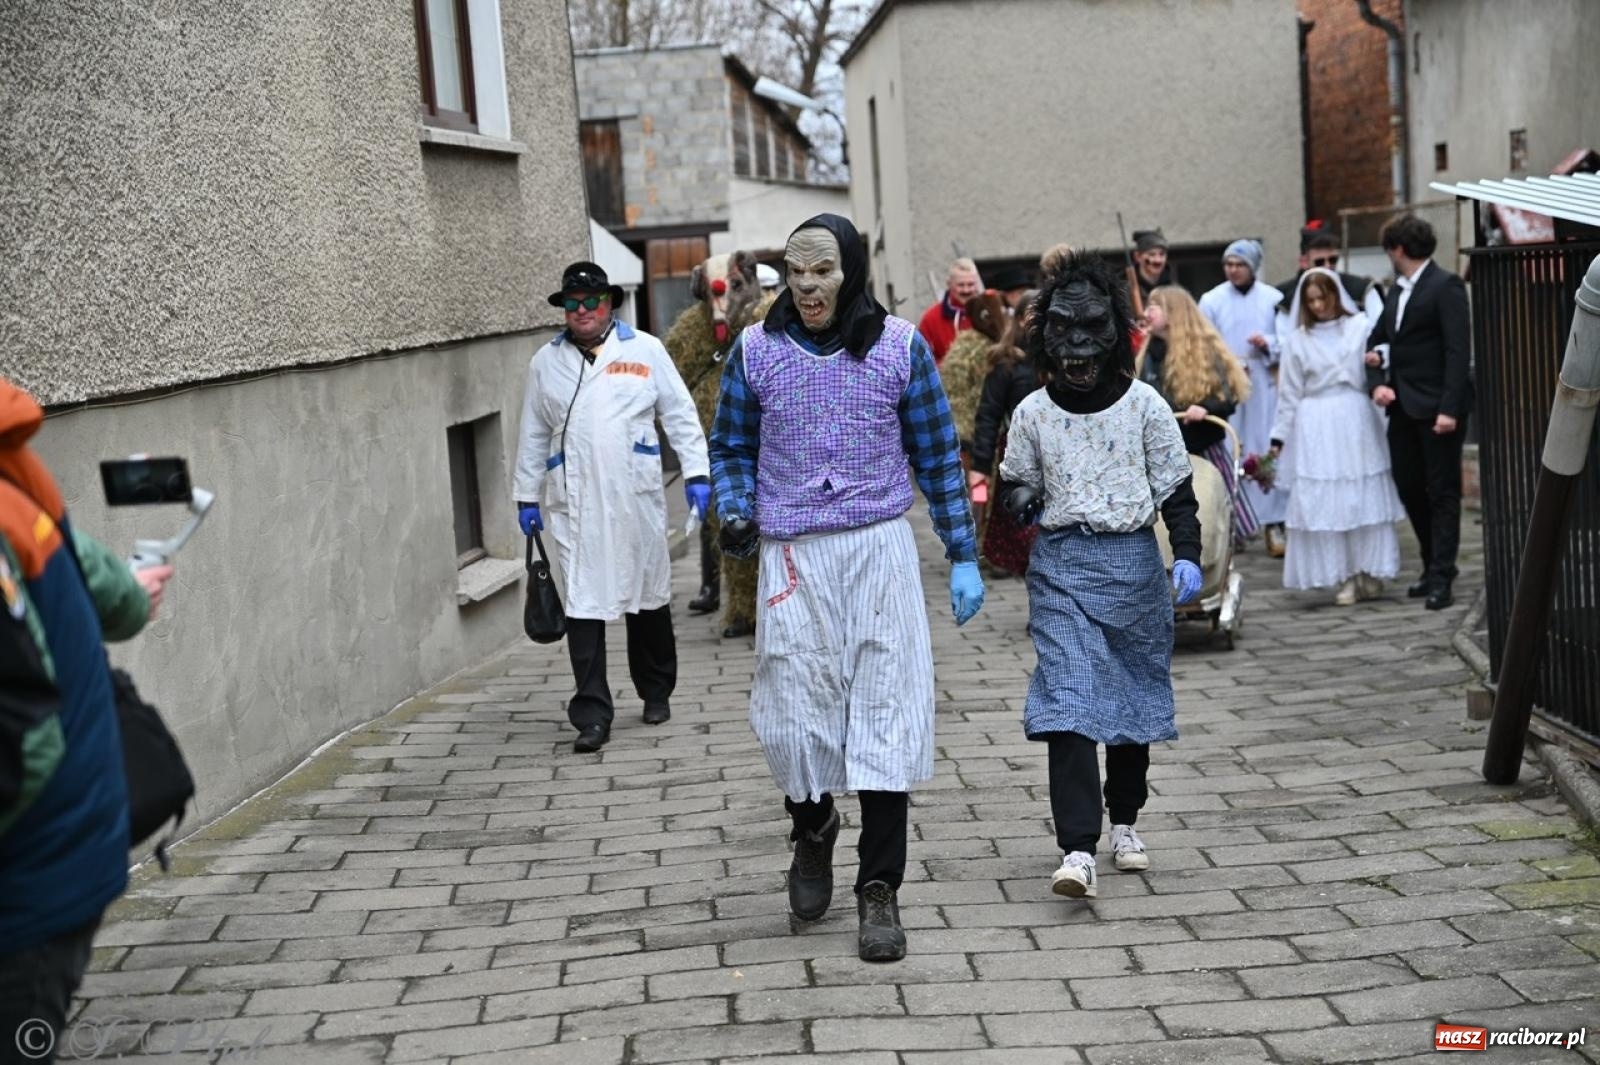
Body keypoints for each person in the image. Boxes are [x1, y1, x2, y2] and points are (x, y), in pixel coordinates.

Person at [710, 213, 984, 963]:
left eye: (823, 272)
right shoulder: (757, 351)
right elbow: (730, 445)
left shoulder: (899, 348)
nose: (808, 288)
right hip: (794, 556)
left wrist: (962, 551)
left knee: (885, 716)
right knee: (793, 717)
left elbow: (937, 454)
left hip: (877, 550)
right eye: (796, 273)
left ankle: (879, 887)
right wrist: (733, 505)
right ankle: (813, 827)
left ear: (851, 271)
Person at [994, 249, 1201, 900]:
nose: (1078, 345)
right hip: (1061, 567)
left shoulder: (1145, 406)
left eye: (1092, 328)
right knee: (1069, 704)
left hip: (1134, 567)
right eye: (1064, 328)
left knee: (1131, 704)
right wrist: (1020, 499)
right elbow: (1014, 484)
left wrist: (1188, 553)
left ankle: (1126, 820)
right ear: (1045, 334)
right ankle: (1077, 848)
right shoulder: (1032, 413)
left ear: (1116, 330)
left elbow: (1177, 489)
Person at [0, 378, 171, 1065]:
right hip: (66, 855)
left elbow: (20, 735)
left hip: (33, 881)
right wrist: (132, 589)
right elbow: (109, 590)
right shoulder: (18, 476)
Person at [513, 262, 711, 753]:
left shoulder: (645, 350)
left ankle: (656, 691)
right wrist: (525, 495)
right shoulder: (545, 363)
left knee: (648, 596)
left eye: (591, 302)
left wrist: (697, 473)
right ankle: (592, 714)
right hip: (576, 503)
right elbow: (533, 433)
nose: (582, 311)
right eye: (572, 303)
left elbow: (680, 414)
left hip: (634, 498)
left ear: (609, 304)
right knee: (583, 603)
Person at [1270, 269, 1406, 604]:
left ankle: (1369, 570)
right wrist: (1278, 437)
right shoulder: (1299, 339)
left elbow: (1385, 354)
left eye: (1323, 297)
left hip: (1356, 417)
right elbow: (1289, 393)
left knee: (1362, 494)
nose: (1318, 306)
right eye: (1311, 300)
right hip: (1316, 423)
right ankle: (1344, 575)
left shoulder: (1360, 327)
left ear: (1335, 295)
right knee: (1328, 500)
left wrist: (1380, 360)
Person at [1364, 214, 1473, 610]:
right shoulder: (1396, 291)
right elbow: (1375, 341)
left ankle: (1442, 576)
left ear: (1398, 249)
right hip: (1402, 407)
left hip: (1438, 409)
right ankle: (1432, 563)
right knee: (1409, 486)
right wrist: (1376, 381)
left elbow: (1458, 351)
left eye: (1388, 250)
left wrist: (1450, 408)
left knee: (1443, 492)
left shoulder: (1446, 285)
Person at [664, 252, 773, 639]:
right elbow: (669, 384)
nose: (722, 303)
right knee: (731, 529)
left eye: (734, 288)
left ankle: (775, 605)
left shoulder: (769, 319)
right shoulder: (692, 332)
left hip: (771, 450)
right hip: (719, 453)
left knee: (774, 533)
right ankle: (741, 608)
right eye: (713, 294)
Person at [1137, 285, 1259, 541]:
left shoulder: (1205, 351)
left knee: (1215, 514)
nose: (1147, 312)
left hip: (1202, 446)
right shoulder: (1147, 355)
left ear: (1174, 313)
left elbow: (1228, 396)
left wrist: (1206, 407)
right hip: (1164, 450)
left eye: (1154, 306)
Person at [1200, 239, 1289, 552]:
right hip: (1228, 385)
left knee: (1264, 448)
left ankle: (1274, 523)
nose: (1233, 270)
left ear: (1253, 267)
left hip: (1263, 381)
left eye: (1240, 265)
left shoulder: (1273, 298)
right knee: (1231, 447)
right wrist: (1228, 364)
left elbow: (1287, 340)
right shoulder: (1212, 299)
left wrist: (1267, 344)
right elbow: (1204, 343)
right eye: (1229, 264)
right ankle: (1235, 524)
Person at [971, 290, 1042, 577]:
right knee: (1018, 516)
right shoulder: (1007, 363)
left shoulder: (1059, 361)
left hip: (1055, 450)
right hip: (1016, 449)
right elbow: (988, 414)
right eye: (1033, 315)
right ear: (1021, 319)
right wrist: (980, 466)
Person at [1276, 226, 1384, 325]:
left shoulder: (1361, 290)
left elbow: (1379, 327)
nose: (1327, 266)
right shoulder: (1284, 297)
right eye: (1319, 262)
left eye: (1333, 260)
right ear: (1304, 262)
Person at [917, 257, 984, 364]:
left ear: (977, 284)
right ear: (949, 284)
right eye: (961, 285)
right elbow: (922, 360)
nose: (966, 290)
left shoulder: (988, 313)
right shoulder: (931, 318)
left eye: (970, 284)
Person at [1131, 228, 1174, 304]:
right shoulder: (1126, 291)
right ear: (1138, 257)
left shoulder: (1173, 290)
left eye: (1162, 254)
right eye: (1152, 254)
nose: (1158, 260)